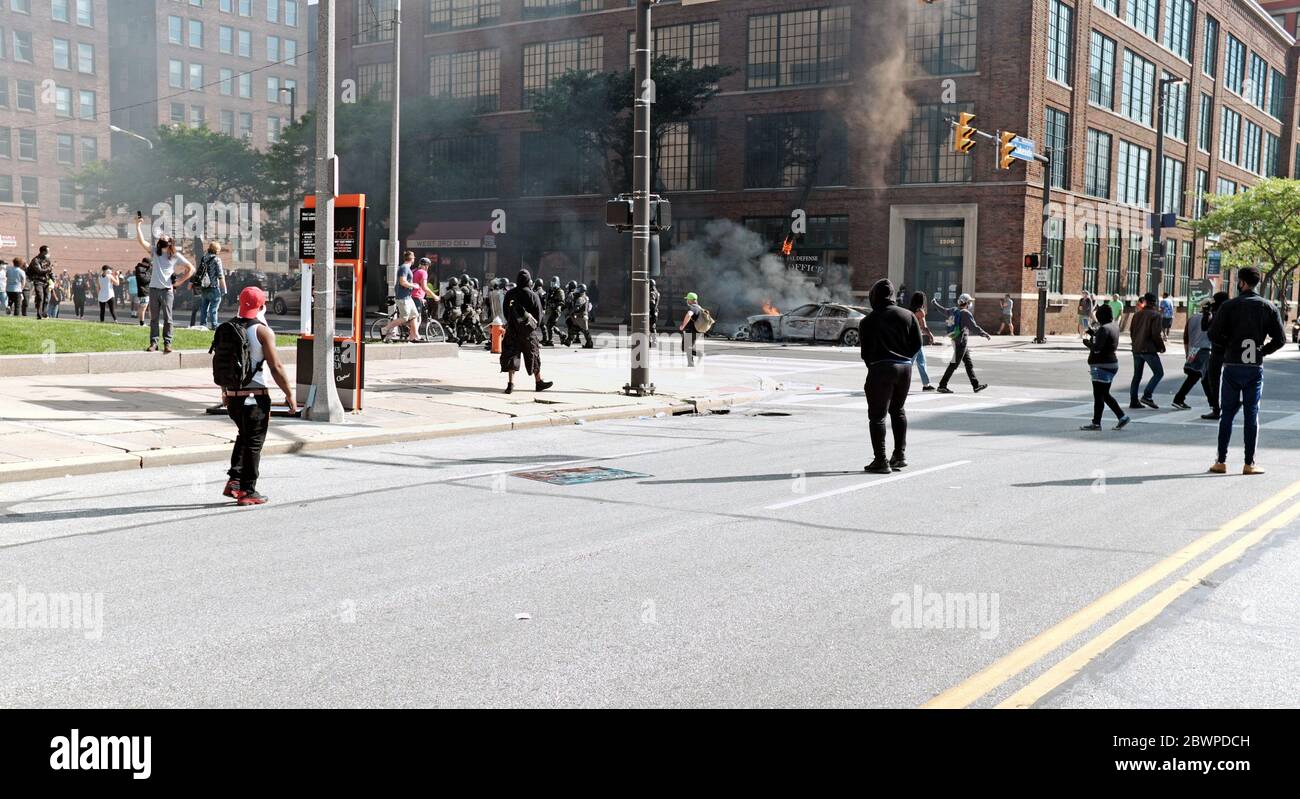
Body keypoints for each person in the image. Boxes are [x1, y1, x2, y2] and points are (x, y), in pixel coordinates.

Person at [220, 286, 296, 506]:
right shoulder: (262, 331)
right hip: (255, 397)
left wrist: (225, 391)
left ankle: (234, 481)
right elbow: (276, 366)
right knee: (254, 442)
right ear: (262, 305)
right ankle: (247, 491)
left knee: (244, 436)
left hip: (233, 396)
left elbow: (223, 363)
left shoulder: (227, 327)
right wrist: (289, 394)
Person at [1208, 267, 1284, 475]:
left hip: (1232, 366)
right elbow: (1280, 339)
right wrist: (1262, 351)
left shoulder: (1228, 306)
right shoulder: (1268, 307)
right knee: (1252, 414)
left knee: (1227, 415)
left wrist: (1229, 347)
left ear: (1241, 282)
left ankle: (1221, 461)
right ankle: (1249, 463)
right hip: (1254, 367)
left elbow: (1213, 334)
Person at [860, 279, 923, 474]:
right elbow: (918, 344)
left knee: (877, 416)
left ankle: (880, 460)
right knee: (898, 410)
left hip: (880, 368)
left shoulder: (867, 321)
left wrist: (875, 364)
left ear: (874, 296)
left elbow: (865, 352)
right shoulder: (908, 315)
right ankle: (899, 455)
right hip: (904, 368)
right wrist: (904, 358)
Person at [134, 218, 195, 353]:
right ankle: (154, 343)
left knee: (168, 318)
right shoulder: (155, 251)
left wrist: (179, 282)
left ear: (169, 243)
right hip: (154, 290)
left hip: (167, 291)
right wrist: (137, 225)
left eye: (164, 238)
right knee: (154, 319)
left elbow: (191, 268)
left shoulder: (175, 256)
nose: (161, 239)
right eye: (160, 238)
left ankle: (168, 343)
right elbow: (141, 241)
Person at [1079, 303, 1131, 431]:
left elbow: (1097, 349)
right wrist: (1091, 332)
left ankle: (1097, 423)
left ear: (1101, 316)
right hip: (1111, 364)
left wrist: (1087, 344)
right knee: (1104, 394)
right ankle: (1121, 417)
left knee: (1099, 395)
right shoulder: (1113, 326)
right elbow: (1103, 339)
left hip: (1100, 365)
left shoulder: (1104, 329)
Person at [501, 269, 553, 395]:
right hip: (528, 333)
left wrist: (512, 323)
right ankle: (538, 382)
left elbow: (505, 312)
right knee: (533, 356)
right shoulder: (533, 295)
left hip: (512, 331)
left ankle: (510, 384)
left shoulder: (510, 294)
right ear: (529, 281)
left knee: (511, 356)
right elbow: (539, 317)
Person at [932, 293, 990, 393]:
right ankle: (942, 385)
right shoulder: (965, 313)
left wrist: (935, 303)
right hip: (961, 342)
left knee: (968, 363)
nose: (970, 304)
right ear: (967, 303)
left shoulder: (953, 310)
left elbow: (943, 310)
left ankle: (975, 385)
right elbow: (974, 327)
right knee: (953, 364)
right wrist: (984, 334)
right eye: (970, 302)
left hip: (955, 340)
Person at [1170, 296, 1215, 411]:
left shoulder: (1192, 318)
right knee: (1198, 376)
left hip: (1193, 350)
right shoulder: (1211, 318)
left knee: (1202, 377)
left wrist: (1187, 353)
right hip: (1204, 350)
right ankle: (1179, 399)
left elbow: (1186, 338)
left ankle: (1213, 403)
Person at [1128, 292, 1165, 409]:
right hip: (1148, 349)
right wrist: (1161, 346)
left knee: (1137, 376)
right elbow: (1155, 334)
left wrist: (1135, 344)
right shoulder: (1156, 315)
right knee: (1159, 373)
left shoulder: (1137, 315)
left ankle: (1133, 401)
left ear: (1145, 301)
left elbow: (1132, 332)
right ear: (1155, 302)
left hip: (1137, 348)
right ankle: (1147, 395)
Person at [1200, 291, 1230, 420]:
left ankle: (1216, 408)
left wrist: (1209, 313)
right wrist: (1206, 313)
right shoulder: (1225, 312)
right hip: (1225, 351)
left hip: (1219, 351)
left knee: (1212, 380)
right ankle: (1218, 406)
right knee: (1215, 379)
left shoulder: (1220, 314)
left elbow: (1208, 330)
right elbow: (1204, 327)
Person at [381, 251, 420, 342]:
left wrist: (411, 284)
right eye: (414, 257)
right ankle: (385, 329)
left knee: (414, 315)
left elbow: (403, 282)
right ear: (412, 259)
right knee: (404, 318)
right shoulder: (404, 268)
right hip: (403, 298)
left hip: (407, 297)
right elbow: (403, 282)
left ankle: (413, 337)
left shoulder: (406, 268)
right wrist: (414, 286)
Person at [908, 292, 936, 391]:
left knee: (921, 361)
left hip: (910, 338)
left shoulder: (910, 310)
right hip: (917, 339)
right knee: (910, 362)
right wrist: (931, 335)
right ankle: (900, 381)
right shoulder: (920, 311)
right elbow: (924, 327)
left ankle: (926, 384)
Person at [197, 243, 227, 330]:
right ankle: (214, 324)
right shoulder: (217, 259)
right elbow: (221, 275)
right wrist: (224, 289)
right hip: (213, 287)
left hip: (204, 287)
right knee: (214, 307)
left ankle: (203, 324)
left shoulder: (204, 258)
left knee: (204, 307)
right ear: (217, 250)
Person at [678, 291, 705, 367]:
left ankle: (699, 354)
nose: (687, 301)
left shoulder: (693, 307)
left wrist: (683, 325)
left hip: (692, 331)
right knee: (688, 347)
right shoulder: (700, 308)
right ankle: (690, 363)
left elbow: (689, 315)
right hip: (698, 331)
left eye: (687, 299)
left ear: (690, 300)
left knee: (685, 347)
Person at [26, 247, 53, 319]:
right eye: (47, 251)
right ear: (43, 252)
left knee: (46, 299)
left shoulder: (47, 260)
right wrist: (49, 269)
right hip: (38, 281)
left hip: (46, 282)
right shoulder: (35, 260)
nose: (48, 253)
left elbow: (50, 272)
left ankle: (44, 313)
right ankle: (39, 314)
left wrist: (53, 278)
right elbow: (39, 271)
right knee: (40, 297)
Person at [566, 283, 594, 348]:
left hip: (580, 316)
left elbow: (577, 307)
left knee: (585, 331)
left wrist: (570, 312)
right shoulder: (586, 297)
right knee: (574, 329)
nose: (577, 290)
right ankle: (568, 341)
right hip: (582, 316)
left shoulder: (581, 298)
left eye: (579, 289)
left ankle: (589, 343)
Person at [542, 276, 565, 347]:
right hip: (551, 310)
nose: (553, 285)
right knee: (551, 325)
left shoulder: (560, 291)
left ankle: (551, 341)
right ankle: (562, 335)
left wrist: (554, 304)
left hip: (556, 310)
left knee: (549, 324)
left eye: (555, 283)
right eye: (552, 283)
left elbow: (562, 302)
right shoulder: (552, 291)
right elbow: (548, 299)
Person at [132, 257, 151, 326]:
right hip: (144, 291)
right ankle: (141, 323)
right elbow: (144, 279)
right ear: (144, 263)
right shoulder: (139, 269)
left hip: (148, 290)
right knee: (143, 307)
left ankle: (153, 322)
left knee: (149, 307)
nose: (149, 265)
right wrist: (151, 277)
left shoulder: (146, 268)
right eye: (148, 264)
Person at [648, 278, 661, 345]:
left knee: (651, 327)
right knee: (652, 327)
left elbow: (652, 304)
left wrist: (649, 312)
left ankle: (653, 341)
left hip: (652, 312)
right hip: (655, 312)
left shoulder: (652, 293)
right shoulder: (657, 292)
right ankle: (652, 341)